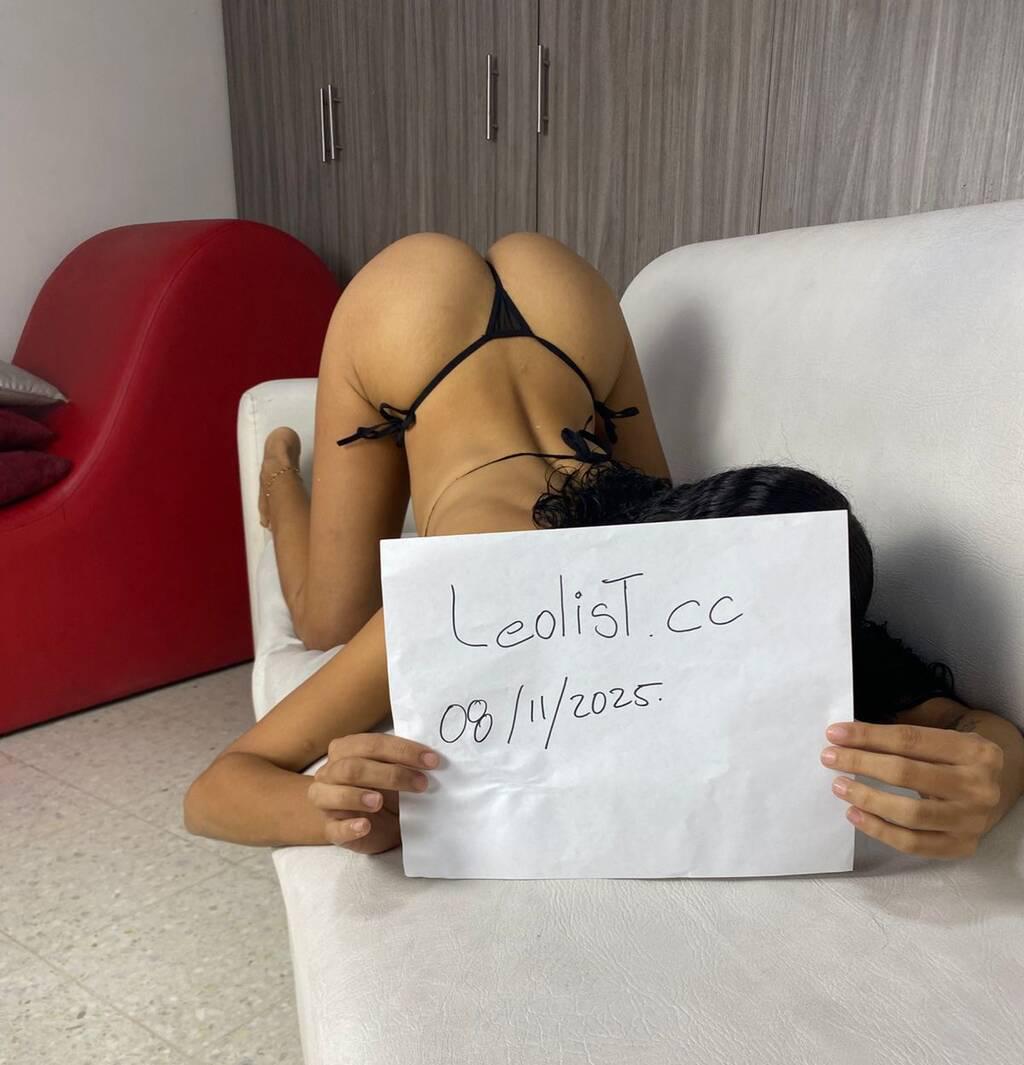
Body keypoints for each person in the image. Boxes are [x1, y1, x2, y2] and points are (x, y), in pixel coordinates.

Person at [184, 231, 1023, 861]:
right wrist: (336, 814)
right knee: (330, 620)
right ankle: (280, 480)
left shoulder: (712, 568)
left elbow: (963, 722)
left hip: (571, 314)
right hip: (405, 319)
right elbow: (216, 789)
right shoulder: (480, 591)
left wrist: (993, 774)